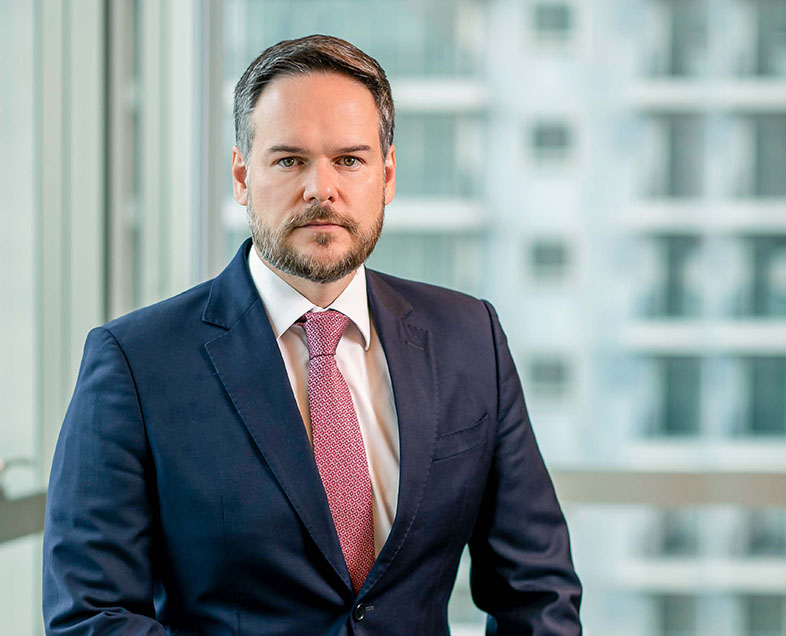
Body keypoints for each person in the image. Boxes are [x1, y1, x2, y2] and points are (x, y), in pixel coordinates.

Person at [43, 35, 582, 635]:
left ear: (388, 174)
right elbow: (91, 614)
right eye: (289, 160)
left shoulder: (469, 338)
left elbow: (537, 589)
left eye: (349, 160)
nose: (320, 190)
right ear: (243, 175)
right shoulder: (136, 364)